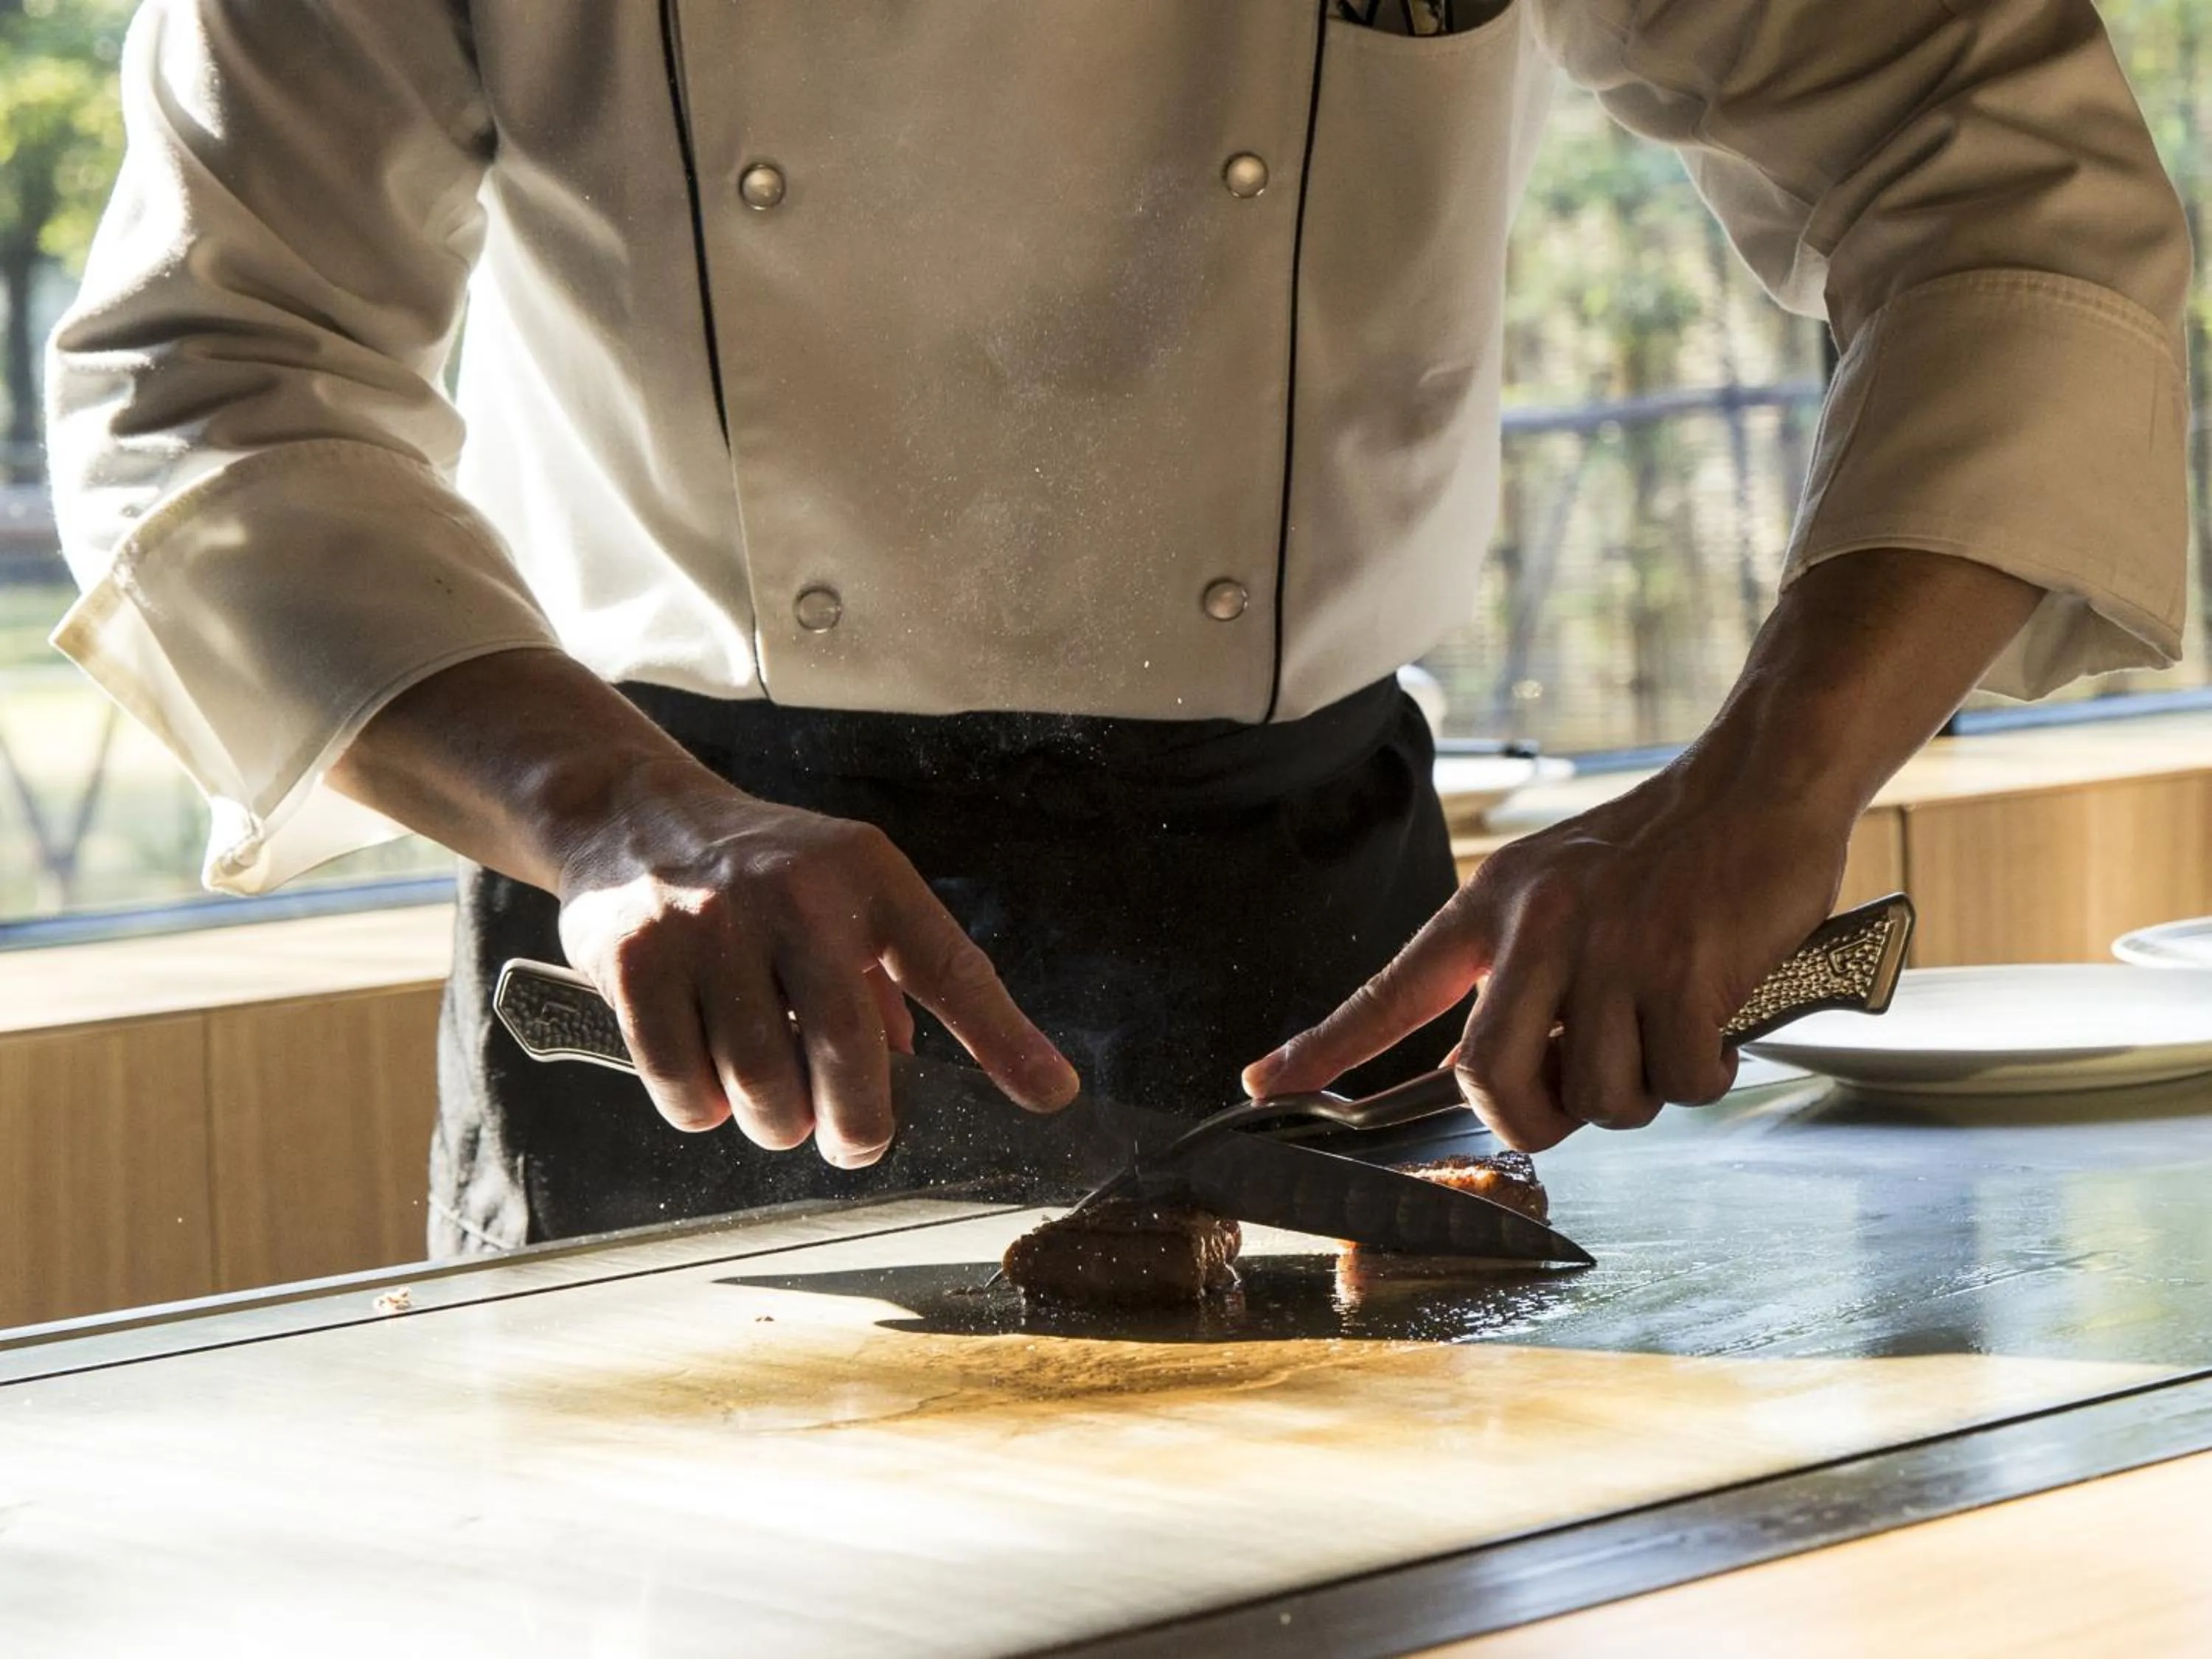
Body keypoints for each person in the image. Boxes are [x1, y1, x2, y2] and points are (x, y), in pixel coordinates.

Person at [49, 1, 2187, 1252]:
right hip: (684, 959)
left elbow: (1992, 188)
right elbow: (215, 376)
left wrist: (1770, 787)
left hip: (1325, 957)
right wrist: (613, 820)